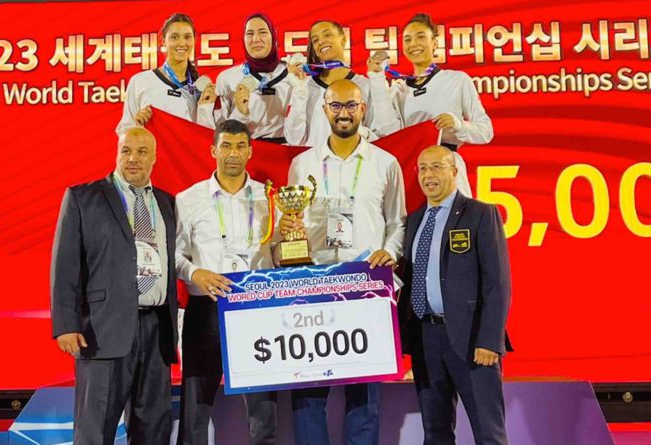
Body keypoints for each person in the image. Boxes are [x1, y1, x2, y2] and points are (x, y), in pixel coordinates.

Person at [279, 79, 406, 445]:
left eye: (351, 106)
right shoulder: (303, 164)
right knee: (308, 388)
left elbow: (397, 221)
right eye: (336, 106)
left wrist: (391, 252)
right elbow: (295, 222)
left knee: (364, 390)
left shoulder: (385, 163)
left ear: (363, 109)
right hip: (315, 281)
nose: (344, 113)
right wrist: (290, 231)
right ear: (325, 110)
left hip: (367, 282)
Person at [51, 127, 179, 445]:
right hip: (102, 329)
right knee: (95, 430)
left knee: (153, 428)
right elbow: (65, 266)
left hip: (156, 330)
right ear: (117, 153)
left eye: (141, 151)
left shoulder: (167, 203)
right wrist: (65, 325)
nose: (133, 158)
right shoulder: (84, 197)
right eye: (126, 151)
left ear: (154, 157)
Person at [175, 119, 278, 445]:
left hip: (256, 310)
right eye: (226, 146)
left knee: (264, 417)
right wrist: (195, 273)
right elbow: (173, 256)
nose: (233, 154)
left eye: (240, 146)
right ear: (213, 150)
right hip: (206, 310)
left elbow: (279, 253)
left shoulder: (270, 197)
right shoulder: (189, 199)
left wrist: (293, 236)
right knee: (194, 414)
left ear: (250, 151)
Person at [401, 145, 511, 445]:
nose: (428, 175)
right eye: (422, 168)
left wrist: (490, 340)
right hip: (426, 341)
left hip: (472, 340)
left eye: (436, 166)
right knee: (435, 433)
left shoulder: (480, 214)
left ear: (454, 171)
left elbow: (497, 283)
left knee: (489, 433)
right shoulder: (413, 221)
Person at [386, 13, 494, 196]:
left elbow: (486, 132)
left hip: (448, 165)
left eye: (421, 37)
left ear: (434, 43)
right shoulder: (398, 91)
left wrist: (458, 125)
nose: (414, 44)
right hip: (413, 172)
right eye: (407, 39)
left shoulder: (457, 80)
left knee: (455, 223)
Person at [283, 20, 401, 147]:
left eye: (327, 35)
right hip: (315, 164)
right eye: (315, 40)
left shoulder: (365, 86)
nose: (321, 42)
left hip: (356, 164)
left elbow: (386, 135)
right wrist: (300, 92)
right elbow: (294, 139)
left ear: (343, 40)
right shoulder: (304, 87)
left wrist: (361, 134)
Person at [117, 13, 216, 135]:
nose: (181, 43)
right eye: (174, 37)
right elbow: (124, 133)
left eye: (187, 37)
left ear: (194, 41)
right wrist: (138, 126)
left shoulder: (199, 90)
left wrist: (205, 107)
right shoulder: (140, 81)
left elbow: (203, 138)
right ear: (163, 41)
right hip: (153, 154)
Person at [199, 13, 292, 142]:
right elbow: (221, 131)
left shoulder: (293, 75)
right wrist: (240, 112)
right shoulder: (227, 78)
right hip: (244, 154)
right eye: (249, 34)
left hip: (286, 154)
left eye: (263, 32)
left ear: (274, 36)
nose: (256, 39)